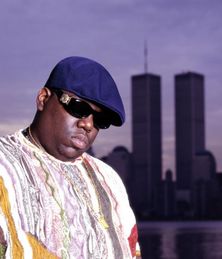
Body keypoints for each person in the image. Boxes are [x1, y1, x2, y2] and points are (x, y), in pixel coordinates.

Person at [0, 56, 141, 258]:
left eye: (101, 120)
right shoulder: (3, 166)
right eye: (79, 108)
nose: (88, 124)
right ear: (43, 99)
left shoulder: (108, 178)